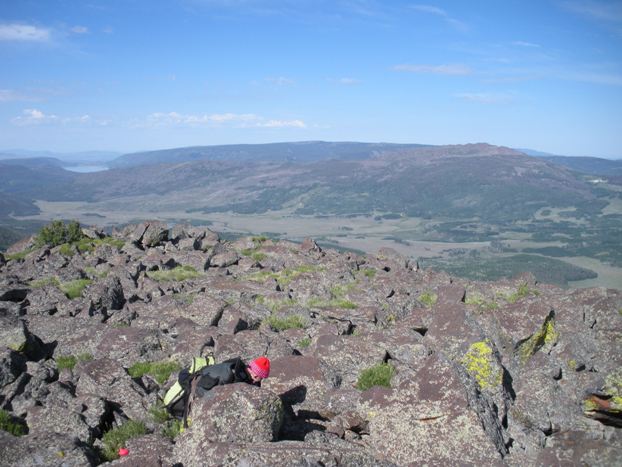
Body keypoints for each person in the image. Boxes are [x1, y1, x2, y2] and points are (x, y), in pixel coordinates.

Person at [167, 356, 271, 422]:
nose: (259, 379)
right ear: (252, 369)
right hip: (196, 400)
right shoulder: (229, 374)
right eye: (259, 376)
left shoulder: (247, 378)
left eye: (262, 377)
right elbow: (201, 391)